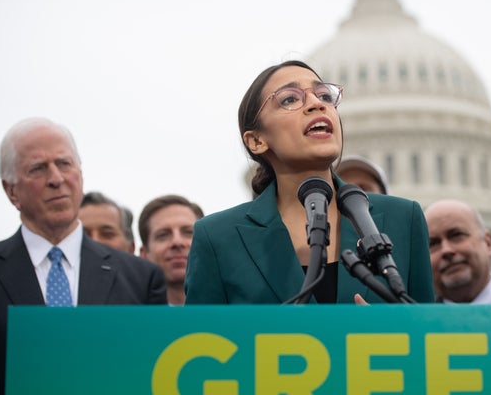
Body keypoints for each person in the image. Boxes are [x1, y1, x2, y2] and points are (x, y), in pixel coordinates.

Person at [184, 60, 434, 305]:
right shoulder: (217, 238)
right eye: (289, 99)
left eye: (324, 95)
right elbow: (199, 342)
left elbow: (428, 335)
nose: (316, 104)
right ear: (256, 141)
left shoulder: (403, 219)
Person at [0, 118, 167, 395]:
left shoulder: (141, 279)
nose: (56, 179)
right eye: (38, 169)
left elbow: (152, 385)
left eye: (64, 164)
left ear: (80, 175)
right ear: (10, 190)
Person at [425, 199, 491, 303]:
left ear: (487, 243)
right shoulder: (413, 319)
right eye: (433, 244)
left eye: (456, 235)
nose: (446, 250)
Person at [139, 195, 204, 306]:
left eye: (188, 232)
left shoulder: (231, 314)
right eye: (163, 235)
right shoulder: (129, 319)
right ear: (144, 254)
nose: (177, 242)